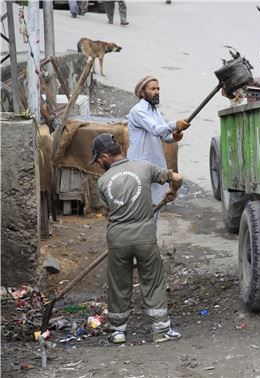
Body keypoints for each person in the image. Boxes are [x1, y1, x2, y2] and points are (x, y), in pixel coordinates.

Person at [91, 133, 183, 344]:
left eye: (98, 158)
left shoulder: (103, 181)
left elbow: (107, 213)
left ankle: (118, 331)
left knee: (119, 284)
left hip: (118, 241)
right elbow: (177, 178)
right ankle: (161, 331)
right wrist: (172, 191)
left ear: (106, 155)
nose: (97, 163)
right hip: (145, 238)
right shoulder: (144, 167)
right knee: (152, 281)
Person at [127, 76, 190, 208]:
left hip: (155, 166)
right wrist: (175, 124)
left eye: (158, 89)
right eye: (153, 89)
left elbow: (164, 135)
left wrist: (174, 137)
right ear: (142, 93)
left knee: (156, 204)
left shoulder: (155, 112)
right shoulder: (138, 111)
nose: (157, 92)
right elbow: (156, 129)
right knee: (141, 205)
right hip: (140, 164)